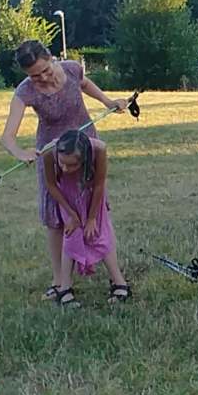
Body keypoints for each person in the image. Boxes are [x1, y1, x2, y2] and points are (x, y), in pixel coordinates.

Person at [0, 39, 129, 300]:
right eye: (35, 76)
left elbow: (85, 83)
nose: (43, 78)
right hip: (53, 153)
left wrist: (106, 101)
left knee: (94, 207)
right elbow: (7, 137)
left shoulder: (70, 69)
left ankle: (111, 272)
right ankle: (60, 281)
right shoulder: (25, 91)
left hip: (85, 144)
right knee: (57, 219)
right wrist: (19, 152)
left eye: (45, 70)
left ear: (52, 59)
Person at [43, 130, 129, 307]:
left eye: (72, 165)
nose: (66, 169)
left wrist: (91, 218)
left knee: (98, 234)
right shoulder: (49, 152)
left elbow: (99, 185)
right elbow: (51, 185)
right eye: (62, 164)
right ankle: (65, 289)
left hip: (91, 195)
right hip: (67, 197)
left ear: (85, 159)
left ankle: (119, 282)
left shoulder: (99, 149)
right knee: (71, 234)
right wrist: (72, 215)